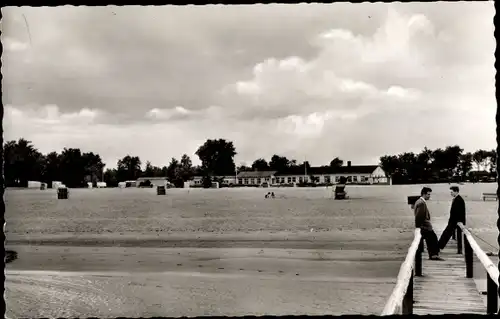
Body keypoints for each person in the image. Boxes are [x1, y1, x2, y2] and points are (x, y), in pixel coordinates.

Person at [414, 187, 443, 261]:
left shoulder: (419, 201)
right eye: (428, 194)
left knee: (431, 239)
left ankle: (433, 254)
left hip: (423, 226)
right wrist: (419, 227)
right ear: (424, 194)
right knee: (433, 239)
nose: (429, 196)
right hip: (425, 227)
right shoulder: (421, 203)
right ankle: (433, 255)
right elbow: (419, 216)